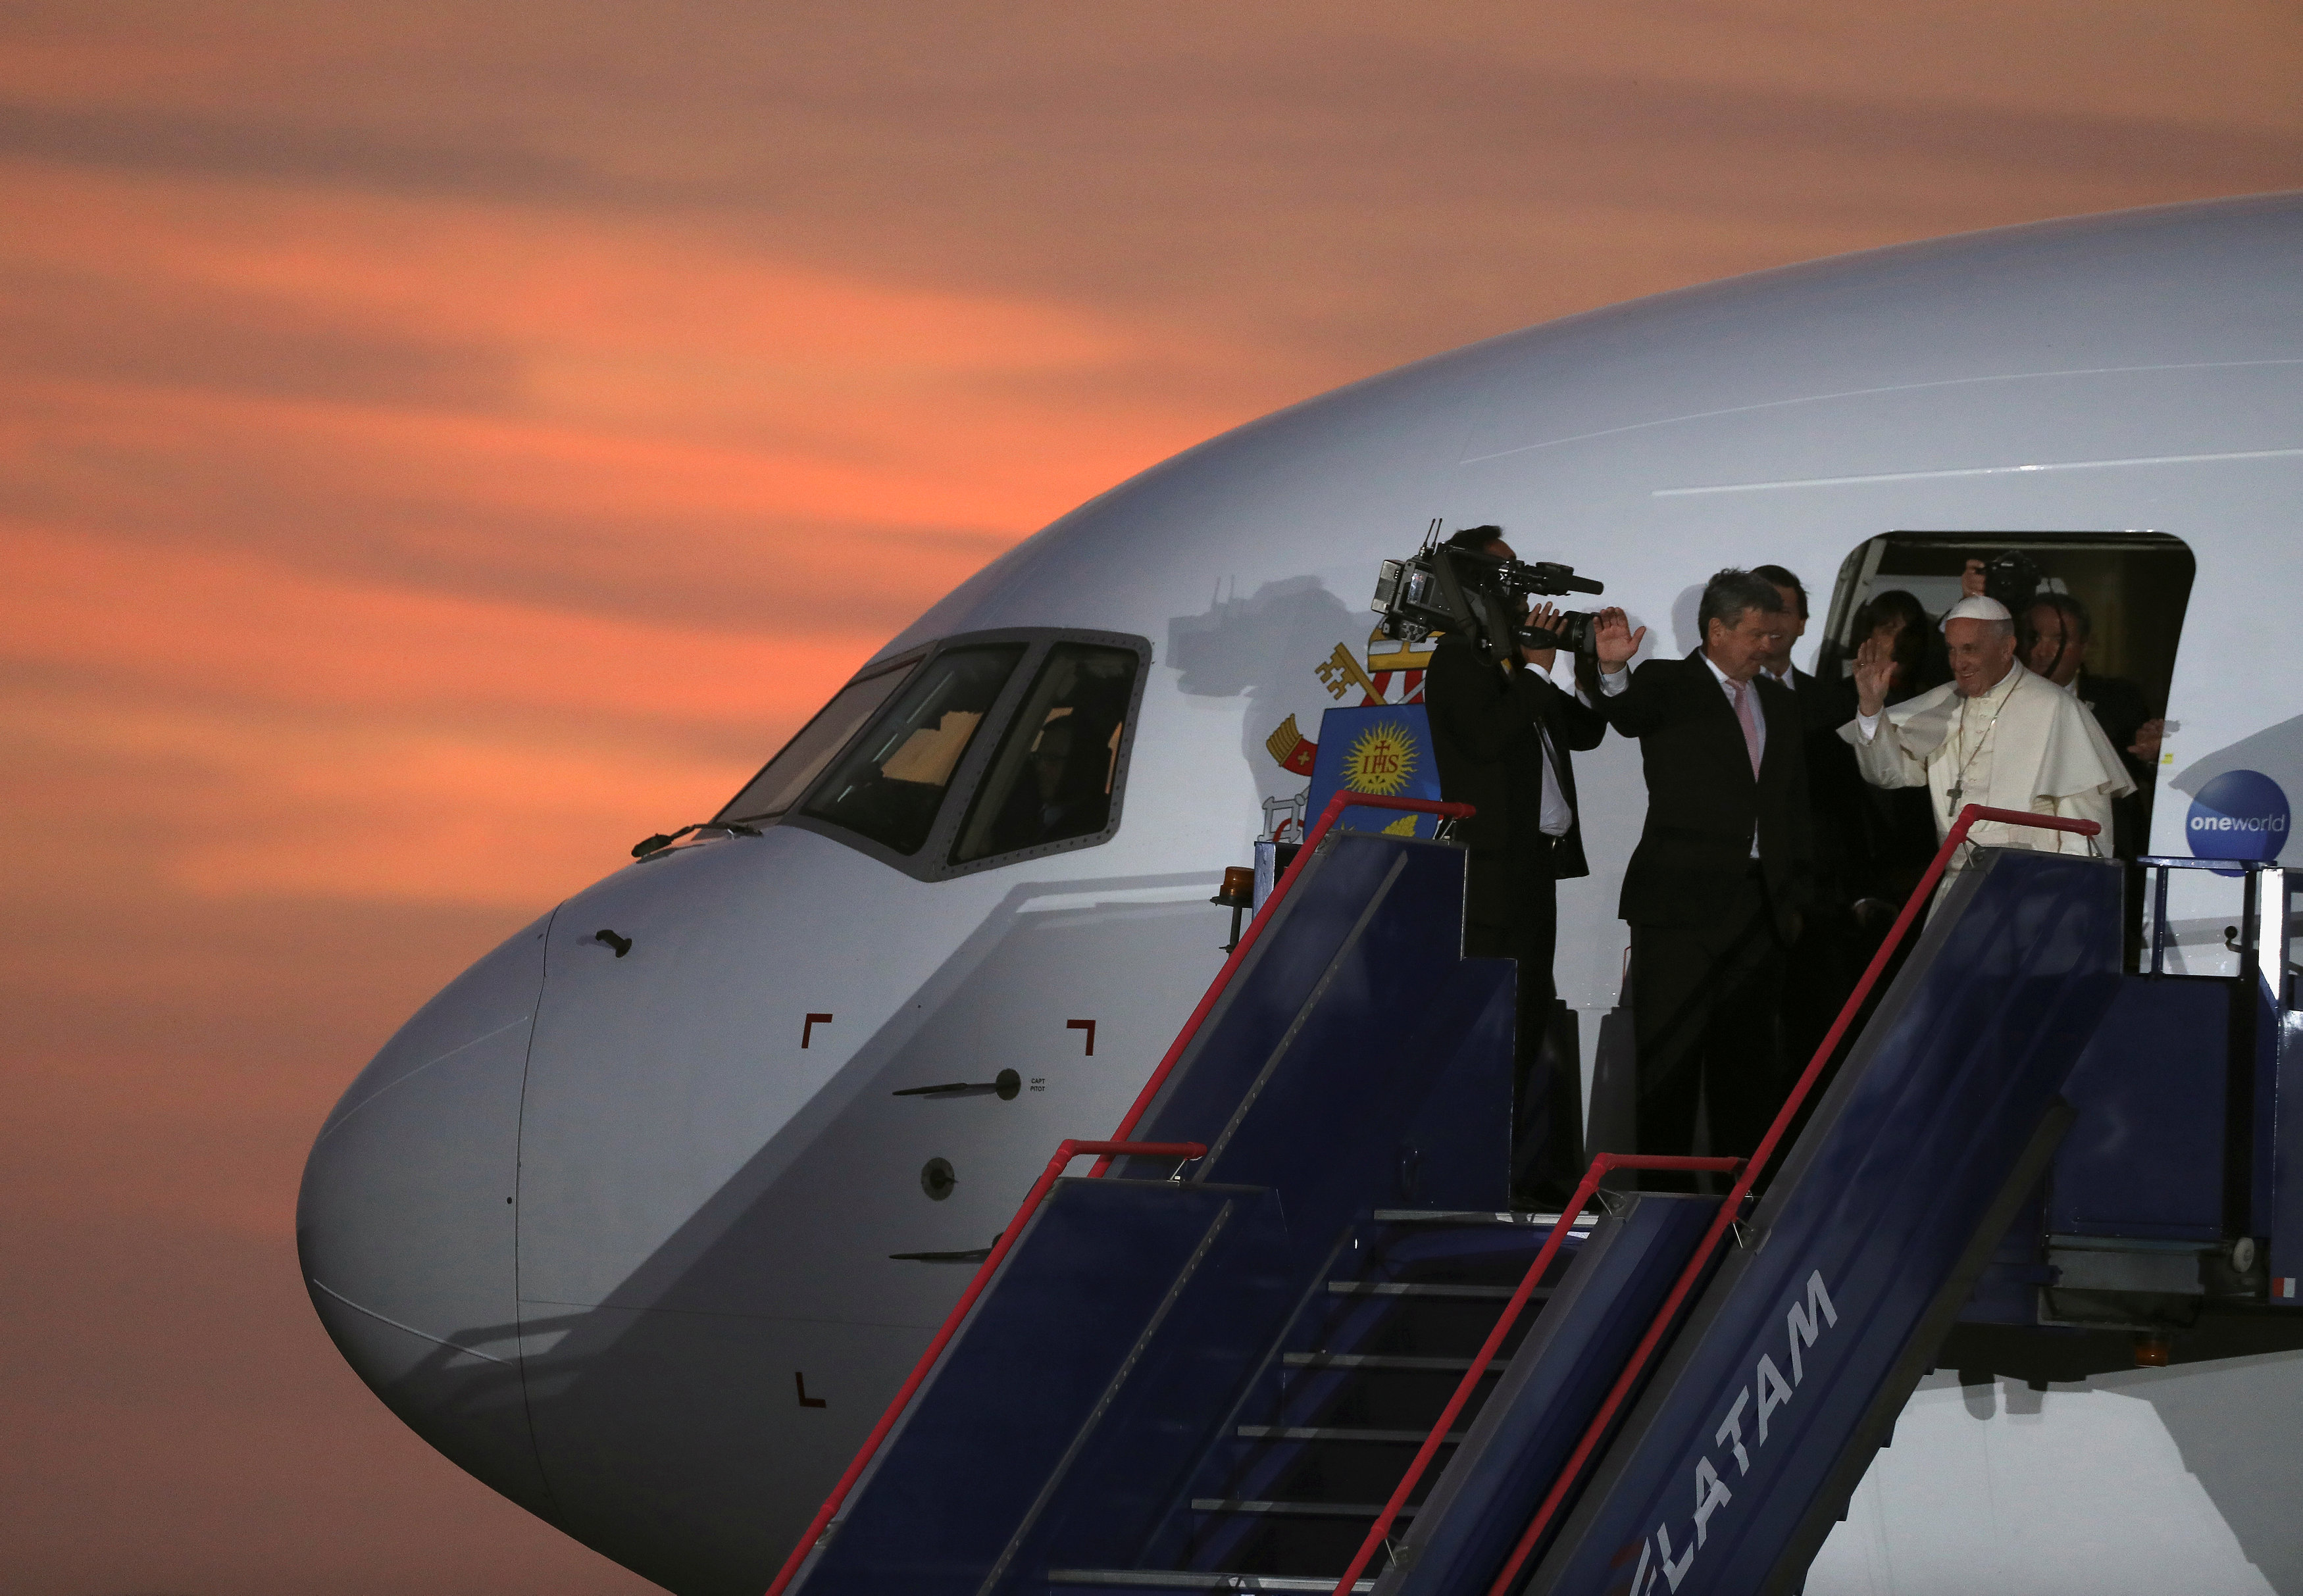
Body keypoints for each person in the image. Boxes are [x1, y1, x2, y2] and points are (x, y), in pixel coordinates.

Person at [1590, 570, 1813, 1179]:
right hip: (1679, 908)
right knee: (1669, 1061)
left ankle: (1742, 1206)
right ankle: (1657, 1208)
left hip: (1758, 906)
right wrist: (1611, 670)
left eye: (1775, 634)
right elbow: (1627, 713)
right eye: (1757, 634)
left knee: (1748, 1069)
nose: (1770, 645)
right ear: (1716, 631)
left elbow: (1792, 804)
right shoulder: (1668, 682)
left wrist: (1793, 896)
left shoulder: (1782, 703)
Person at [1425, 528, 1609, 1205]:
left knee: (1529, 1022)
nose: (1520, 586)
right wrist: (1531, 669)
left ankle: (1524, 1173)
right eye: (1505, 575)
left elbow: (1585, 731)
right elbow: (1486, 736)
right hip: (1490, 873)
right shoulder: (1456, 661)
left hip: (1534, 867)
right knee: (1492, 1028)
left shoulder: (1510, 664)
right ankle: (1475, 1178)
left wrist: (1573, 665)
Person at [1843, 594, 2134, 874]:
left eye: (1970, 649)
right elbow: (1887, 775)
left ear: (2006, 648)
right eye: (1952, 649)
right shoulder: (1940, 705)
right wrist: (1871, 708)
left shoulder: (2055, 707)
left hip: (2033, 881)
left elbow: (2086, 826)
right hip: (1958, 880)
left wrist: (2068, 897)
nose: (1958, 662)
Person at [1750, 564, 1874, 1077]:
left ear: (1803, 622)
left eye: (1786, 608)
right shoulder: (1714, 696)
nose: (1776, 619)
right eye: (1764, 607)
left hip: (1819, 899)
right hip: (1741, 897)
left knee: (1817, 1043)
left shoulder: (1834, 704)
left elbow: (1854, 804)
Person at [2023, 591, 2164, 857]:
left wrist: (2154, 757)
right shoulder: (1995, 702)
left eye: (2059, 639)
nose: (2041, 651)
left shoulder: (2119, 701)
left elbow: (2143, 775)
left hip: (2103, 848)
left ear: (2084, 646)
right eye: (2034, 637)